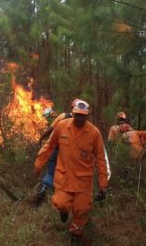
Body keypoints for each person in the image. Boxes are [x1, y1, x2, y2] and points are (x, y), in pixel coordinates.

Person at [35, 100, 111, 244]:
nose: (80, 118)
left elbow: (101, 160)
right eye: (77, 115)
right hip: (64, 177)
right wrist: (39, 164)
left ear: (87, 116)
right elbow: (49, 146)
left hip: (83, 181)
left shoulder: (94, 133)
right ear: (73, 113)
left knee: (81, 210)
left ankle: (75, 235)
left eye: (83, 116)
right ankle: (63, 212)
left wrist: (103, 184)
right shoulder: (62, 126)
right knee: (61, 203)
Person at [35, 101, 76, 206]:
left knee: (51, 172)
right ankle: (61, 195)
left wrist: (41, 138)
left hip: (55, 148)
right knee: (66, 173)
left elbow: (50, 129)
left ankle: (44, 188)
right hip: (68, 153)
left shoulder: (63, 116)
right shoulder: (82, 124)